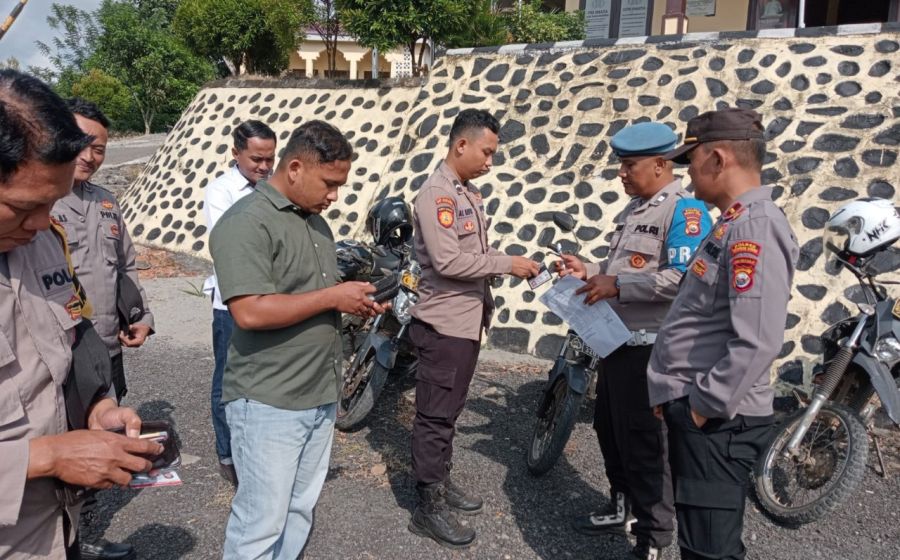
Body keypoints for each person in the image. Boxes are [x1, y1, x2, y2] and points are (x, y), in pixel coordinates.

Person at [0, 69, 162, 559]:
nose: (42, 223)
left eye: (52, 204)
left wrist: (96, 409)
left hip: (52, 528)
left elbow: (65, 344)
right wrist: (43, 457)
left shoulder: (43, 241)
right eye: (24, 207)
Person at [209, 120, 387, 559]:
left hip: (317, 393)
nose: (335, 196)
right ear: (294, 169)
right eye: (329, 184)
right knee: (260, 523)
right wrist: (333, 297)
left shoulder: (316, 225)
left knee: (297, 511)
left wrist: (352, 301)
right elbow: (250, 311)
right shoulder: (246, 222)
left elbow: (307, 296)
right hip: (269, 399)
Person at [647, 108, 799, 560]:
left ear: (717, 158)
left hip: (719, 421)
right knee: (700, 542)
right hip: (706, 413)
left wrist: (701, 407)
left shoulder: (755, 226)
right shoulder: (734, 221)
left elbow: (758, 338)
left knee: (710, 551)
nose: (688, 174)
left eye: (691, 161)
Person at [559, 122, 713, 560]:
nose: (621, 173)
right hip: (617, 345)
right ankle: (621, 508)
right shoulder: (636, 209)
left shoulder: (684, 212)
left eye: (630, 165)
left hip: (652, 351)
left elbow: (682, 279)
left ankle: (653, 539)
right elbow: (623, 267)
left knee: (647, 445)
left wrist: (619, 285)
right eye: (621, 165)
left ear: (661, 164)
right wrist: (589, 270)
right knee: (609, 431)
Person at [407, 108, 540, 549]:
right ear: (460, 144)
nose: (489, 161)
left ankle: (440, 481)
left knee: (450, 410)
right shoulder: (438, 194)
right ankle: (427, 505)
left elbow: (473, 253)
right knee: (434, 415)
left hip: (465, 321)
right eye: (486, 152)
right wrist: (506, 264)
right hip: (444, 323)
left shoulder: (466, 192)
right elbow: (448, 261)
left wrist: (510, 263)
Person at [49, 97, 153, 560]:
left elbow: (126, 266)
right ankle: (59, 538)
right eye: (83, 143)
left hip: (106, 347)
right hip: (60, 351)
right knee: (64, 443)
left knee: (102, 437)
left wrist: (142, 316)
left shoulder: (107, 202)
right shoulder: (41, 200)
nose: (90, 156)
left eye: (100, 149)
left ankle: (84, 533)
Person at [202, 119, 276, 486]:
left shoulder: (274, 188)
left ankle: (258, 451)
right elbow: (233, 248)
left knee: (264, 378)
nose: (264, 166)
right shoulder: (221, 191)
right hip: (232, 303)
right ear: (236, 153)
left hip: (272, 299)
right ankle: (227, 453)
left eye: (270, 159)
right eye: (256, 159)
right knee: (228, 381)